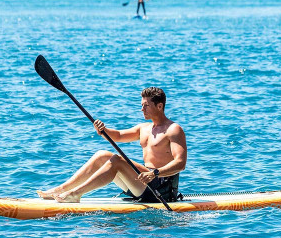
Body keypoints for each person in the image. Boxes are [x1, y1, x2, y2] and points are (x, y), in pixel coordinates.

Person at [37, 87, 187, 203]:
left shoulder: (173, 130)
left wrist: (154, 173)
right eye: (141, 105)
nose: (142, 109)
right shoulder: (144, 128)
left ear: (159, 106)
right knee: (102, 155)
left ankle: (75, 194)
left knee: (116, 160)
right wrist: (103, 130)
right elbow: (119, 136)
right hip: (142, 184)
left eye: (146, 105)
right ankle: (61, 189)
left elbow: (180, 163)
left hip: (161, 189)